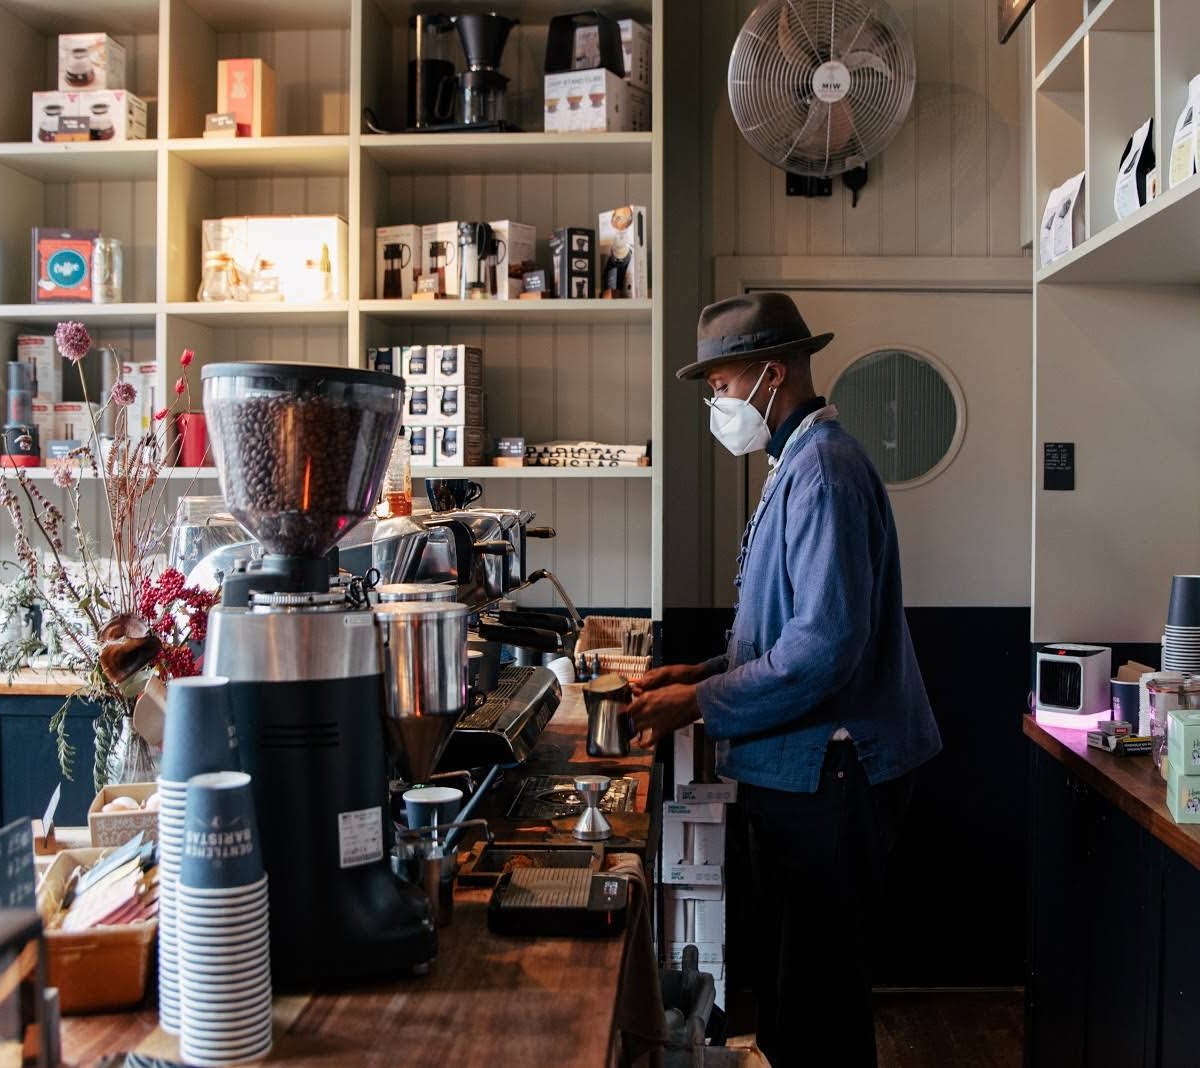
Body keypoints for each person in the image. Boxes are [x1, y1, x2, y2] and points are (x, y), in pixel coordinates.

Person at [630, 292, 942, 1068]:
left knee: (820, 1005)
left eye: (724, 388)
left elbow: (823, 648)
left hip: (835, 773)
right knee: (798, 991)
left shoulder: (825, 472)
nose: (717, 405)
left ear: (773, 375)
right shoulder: (797, 460)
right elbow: (784, 627)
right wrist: (700, 669)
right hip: (809, 772)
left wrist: (698, 702)